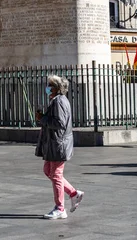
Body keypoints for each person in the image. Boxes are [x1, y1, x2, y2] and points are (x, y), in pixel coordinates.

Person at [36, 75, 84, 220]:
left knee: (55, 174)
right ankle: (74, 193)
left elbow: (60, 123)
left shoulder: (59, 101)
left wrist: (42, 119)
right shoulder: (56, 100)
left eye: (50, 85)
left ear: (57, 88)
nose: (48, 87)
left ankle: (60, 208)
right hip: (54, 143)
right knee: (48, 171)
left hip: (59, 143)